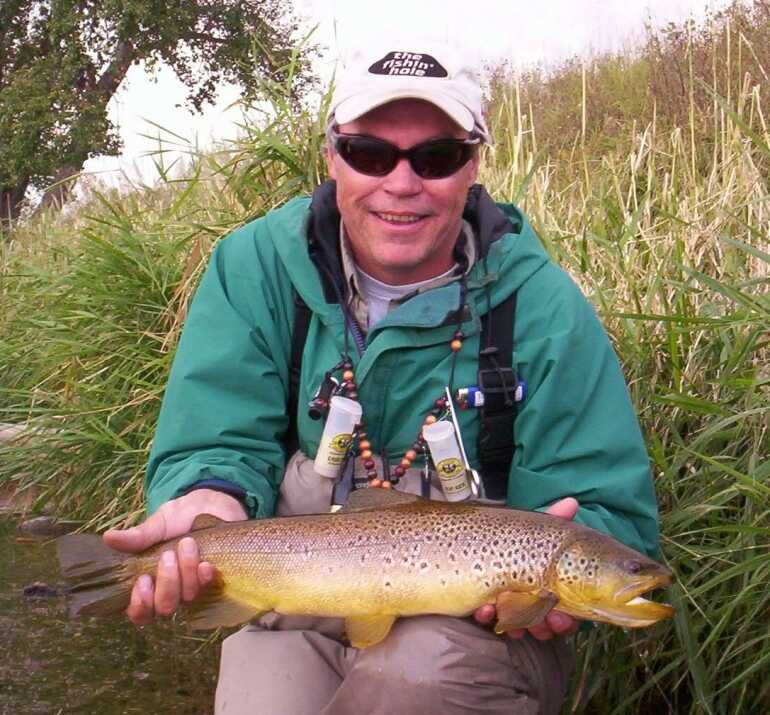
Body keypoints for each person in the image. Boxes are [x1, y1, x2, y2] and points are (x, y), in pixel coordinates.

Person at [104, 40, 660, 714]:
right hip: (297, 599)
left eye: (435, 157)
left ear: (473, 163)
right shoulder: (255, 268)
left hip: (466, 641)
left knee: (412, 677)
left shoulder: (544, 306)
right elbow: (213, 438)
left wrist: (576, 545)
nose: (402, 182)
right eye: (370, 153)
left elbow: (610, 512)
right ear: (332, 155)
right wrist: (208, 496)